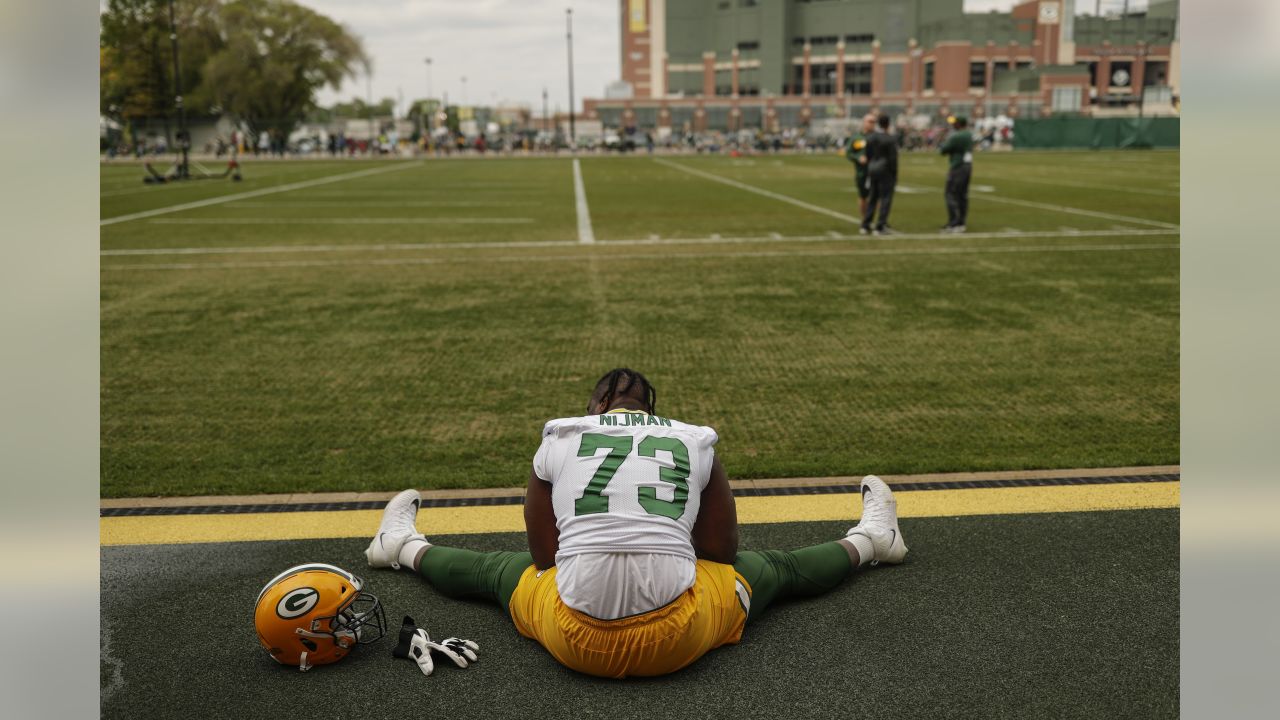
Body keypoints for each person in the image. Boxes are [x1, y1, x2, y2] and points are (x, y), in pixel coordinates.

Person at [365, 368, 909, 679]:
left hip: (574, 640)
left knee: (499, 572)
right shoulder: (695, 438)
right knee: (772, 568)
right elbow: (721, 551)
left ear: (599, 402)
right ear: (651, 408)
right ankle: (871, 541)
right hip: (678, 636)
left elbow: (544, 559)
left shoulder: (559, 436)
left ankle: (401, 547)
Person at [861, 114, 899, 236]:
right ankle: (880, 226)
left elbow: (867, 154)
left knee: (873, 197)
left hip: (873, 168)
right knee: (886, 199)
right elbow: (893, 159)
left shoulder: (871, 137)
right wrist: (894, 173)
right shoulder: (890, 139)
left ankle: (865, 225)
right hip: (886, 170)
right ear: (888, 124)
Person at [939, 116, 975, 233]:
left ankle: (954, 222)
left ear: (959, 124)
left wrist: (944, 139)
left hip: (957, 166)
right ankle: (961, 222)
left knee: (951, 194)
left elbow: (943, 150)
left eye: (955, 123)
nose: (953, 125)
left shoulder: (957, 136)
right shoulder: (968, 134)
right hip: (967, 166)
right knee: (962, 195)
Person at [845, 113, 877, 220]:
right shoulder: (856, 138)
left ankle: (874, 219)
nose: (872, 124)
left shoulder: (877, 137)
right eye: (870, 121)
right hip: (862, 172)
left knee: (876, 197)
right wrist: (858, 158)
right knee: (863, 196)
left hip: (876, 171)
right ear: (864, 123)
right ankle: (865, 220)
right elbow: (849, 153)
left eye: (874, 122)